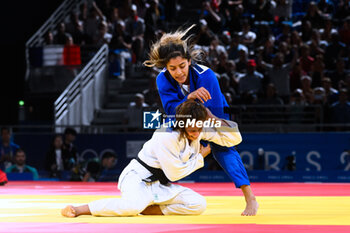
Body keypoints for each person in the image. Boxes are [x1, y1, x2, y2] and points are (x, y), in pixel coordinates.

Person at [143, 25, 258, 216]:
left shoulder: (206, 76)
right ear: (166, 67)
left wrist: (206, 136)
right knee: (164, 142)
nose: (178, 72)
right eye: (172, 68)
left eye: (182, 66)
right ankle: (153, 195)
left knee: (223, 148)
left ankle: (250, 198)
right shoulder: (162, 79)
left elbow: (210, 114)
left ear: (189, 61)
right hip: (181, 117)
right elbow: (171, 110)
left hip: (213, 113)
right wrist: (190, 98)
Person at [61, 100, 242, 217]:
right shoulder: (167, 135)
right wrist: (201, 156)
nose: (197, 134)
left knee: (198, 204)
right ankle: (80, 209)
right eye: (193, 130)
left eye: (200, 129)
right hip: (137, 178)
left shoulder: (198, 127)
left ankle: (152, 209)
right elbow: (175, 173)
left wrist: (214, 119)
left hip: (160, 185)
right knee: (131, 207)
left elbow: (235, 137)